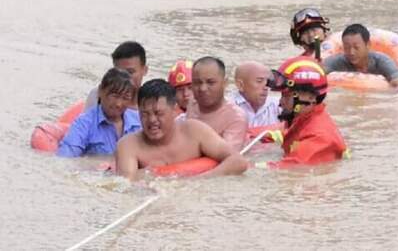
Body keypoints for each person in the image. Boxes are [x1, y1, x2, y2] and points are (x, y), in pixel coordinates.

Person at [115, 79, 248, 181]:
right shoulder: (128, 145)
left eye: (158, 113)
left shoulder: (194, 131)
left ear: (174, 110)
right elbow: (126, 186)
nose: (152, 120)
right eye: (144, 114)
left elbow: (238, 161)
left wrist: (198, 182)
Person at [255, 56, 349, 169]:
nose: (280, 102)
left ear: (310, 97)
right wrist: (248, 134)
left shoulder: (319, 137)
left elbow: (288, 167)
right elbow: (283, 133)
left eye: (286, 96)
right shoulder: (303, 120)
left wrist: (246, 166)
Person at [57, 68, 141, 157]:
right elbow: (66, 158)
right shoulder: (84, 123)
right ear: (100, 91)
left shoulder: (139, 121)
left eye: (125, 98)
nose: (118, 104)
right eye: (114, 96)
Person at [186, 56, 248, 151]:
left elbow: (229, 156)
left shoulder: (236, 117)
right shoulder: (192, 103)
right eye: (197, 82)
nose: (203, 88)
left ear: (224, 83)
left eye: (210, 82)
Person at [323, 24, 398, 90]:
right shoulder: (338, 61)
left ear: (368, 45)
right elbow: (316, 72)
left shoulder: (382, 61)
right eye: (347, 48)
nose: (351, 52)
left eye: (356, 47)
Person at [84, 41, 148, 110]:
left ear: (144, 70)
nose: (125, 78)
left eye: (130, 72)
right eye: (120, 72)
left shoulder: (151, 104)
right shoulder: (97, 95)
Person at [230, 62, 281, 128]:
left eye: (268, 82)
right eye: (259, 81)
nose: (266, 87)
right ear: (240, 85)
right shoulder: (226, 108)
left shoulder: (279, 105)